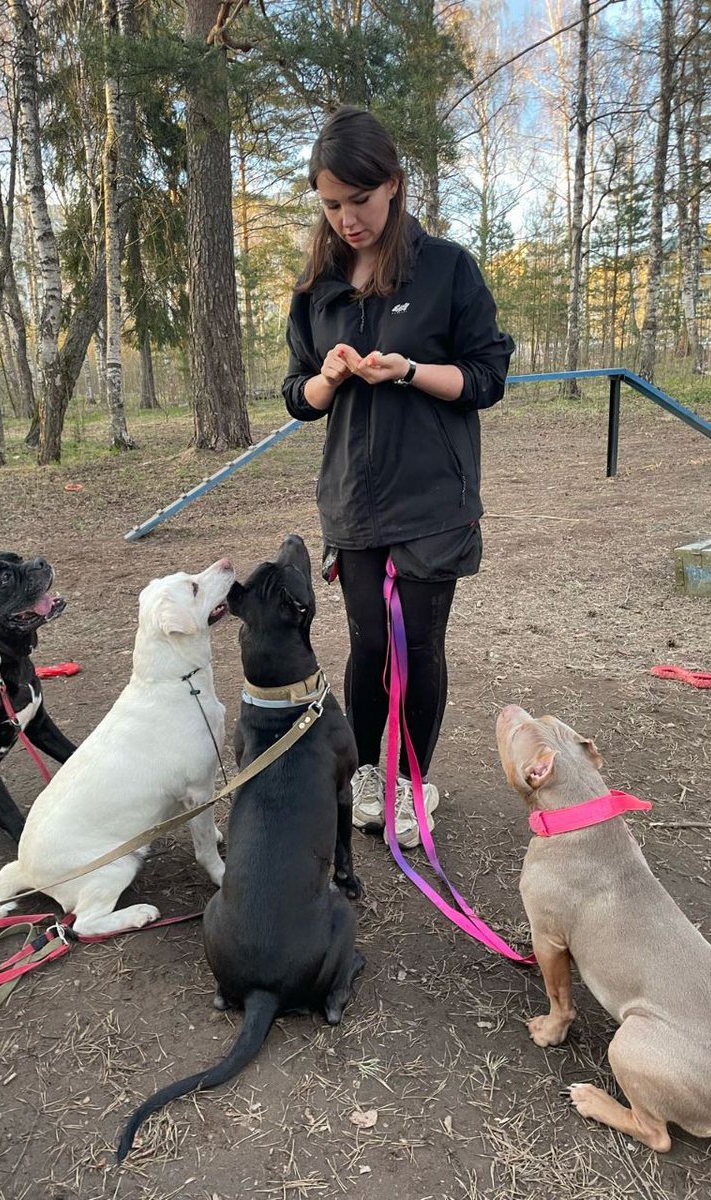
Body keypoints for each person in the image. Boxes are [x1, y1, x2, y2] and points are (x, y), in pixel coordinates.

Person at [282, 106, 515, 851]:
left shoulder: (446, 267)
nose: (347, 218)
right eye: (331, 204)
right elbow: (297, 397)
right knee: (368, 648)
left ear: (394, 186)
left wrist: (411, 371)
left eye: (360, 200)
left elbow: (487, 375)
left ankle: (412, 784)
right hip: (352, 497)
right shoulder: (317, 285)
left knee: (418, 648)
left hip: (432, 499)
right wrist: (324, 380)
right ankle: (364, 778)